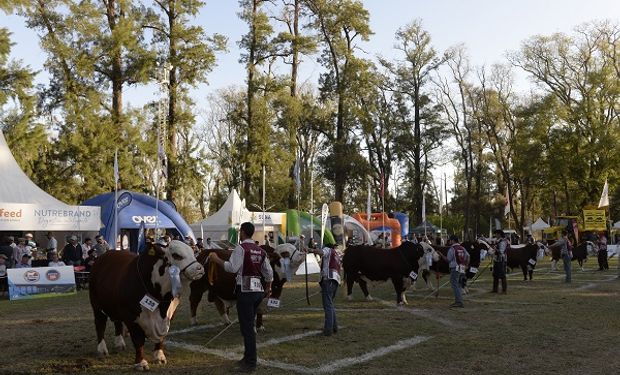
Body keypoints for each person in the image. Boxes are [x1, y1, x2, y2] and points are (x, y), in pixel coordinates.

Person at [208, 222, 273, 373]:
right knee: (248, 326)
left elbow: (232, 268)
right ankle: (247, 357)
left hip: (245, 291)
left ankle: (250, 362)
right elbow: (268, 273)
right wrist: (268, 288)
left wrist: (216, 259)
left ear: (243, 232)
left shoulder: (241, 248)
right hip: (257, 291)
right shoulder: (260, 250)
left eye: (240, 231)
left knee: (247, 328)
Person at [306, 242, 342, 336]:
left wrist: (311, 250)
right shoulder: (336, 254)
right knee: (330, 304)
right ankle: (334, 327)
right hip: (335, 280)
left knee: (328, 306)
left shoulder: (328, 250)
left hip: (328, 279)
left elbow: (321, 252)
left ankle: (328, 330)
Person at [439, 235, 469, 308]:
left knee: (455, 285)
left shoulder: (452, 249)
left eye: (450, 240)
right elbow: (468, 256)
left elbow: (448, 260)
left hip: (455, 268)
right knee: (458, 284)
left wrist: (441, 255)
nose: (449, 241)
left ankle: (459, 302)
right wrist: (465, 265)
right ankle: (459, 300)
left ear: (452, 240)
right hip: (461, 267)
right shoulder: (462, 248)